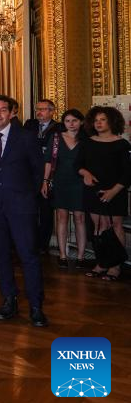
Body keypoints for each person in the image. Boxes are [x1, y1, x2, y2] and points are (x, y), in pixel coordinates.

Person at [0, 95, 48, 327]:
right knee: (1, 255)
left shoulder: (26, 138)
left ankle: (36, 306)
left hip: (22, 207)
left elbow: (37, 171)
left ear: (11, 113)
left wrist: (26, 197)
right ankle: (9, 300)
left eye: (3, 110)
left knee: (28, 255)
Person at [77, 106, 131, 282]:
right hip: (93, 190)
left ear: (112, 122)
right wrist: (86, 174)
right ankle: (102, 262)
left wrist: (113, 191)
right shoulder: (87, 142)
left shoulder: (122, 144)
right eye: (96, 120)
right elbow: (78, 165)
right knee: (99, 227)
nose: (98, 123)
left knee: (115, 226)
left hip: (116, 191)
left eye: (103, 120)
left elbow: (128, 173)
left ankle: (115, 266)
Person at [41, 109, 87, 269]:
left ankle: (81, 256)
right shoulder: (56, 138)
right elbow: (48, 161)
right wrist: (45, 181)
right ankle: (62, 255)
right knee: (62, 217)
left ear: (81, 122)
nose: (71, 124)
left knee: (80, 218)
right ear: (63, 123)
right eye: (67, 121)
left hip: (80, 182)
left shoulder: (86, 139)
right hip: (60, 181)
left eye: (74, 120)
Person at [24, 99, 63, 253]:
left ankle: (43, 244)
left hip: (50, 174)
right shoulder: (30, 125)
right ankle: (30, 241)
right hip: (30, 174)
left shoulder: (58, 127)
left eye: (43, 109)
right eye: (37, 109)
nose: (39, 112)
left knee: (46, 211)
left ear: (52, 111)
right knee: (30, 210)